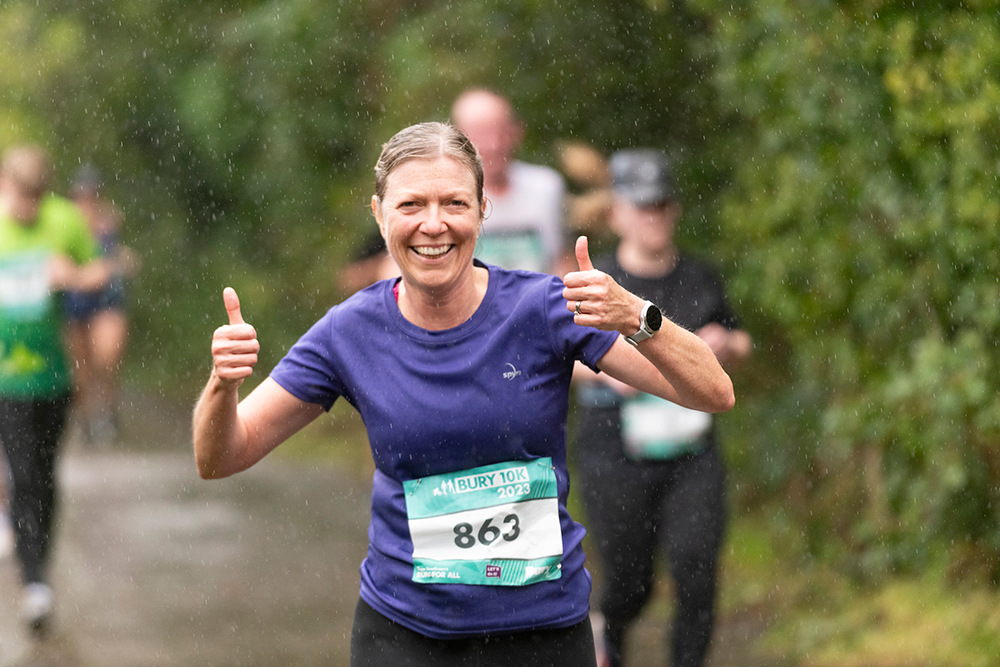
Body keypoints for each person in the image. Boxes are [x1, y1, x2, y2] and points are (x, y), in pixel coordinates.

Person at [193, 122, 735, 667]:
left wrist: (638, 316)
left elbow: (712, 392)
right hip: (405, 634)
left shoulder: (543, 309)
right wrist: (222, 385)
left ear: (481, 211)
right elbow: (220, 456)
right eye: (411, 205)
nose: (434, 224)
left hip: (543, 632)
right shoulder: (348, 333)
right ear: (380, 214)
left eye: (454, 202)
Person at [572, 149, 752, 667]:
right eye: (642, 206)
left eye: (662, 205)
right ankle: (607, 639)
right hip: (615, 452)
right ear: (617, 213)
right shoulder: (597, 280)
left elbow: (739, 342)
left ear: (674, 210)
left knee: (697, 571)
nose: (653, 216)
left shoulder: (700, 278)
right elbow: (564, 360)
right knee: (631, 581)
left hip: (691, 452)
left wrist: (728, 345)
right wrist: (620, 371)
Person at [0, 145, 113, 635]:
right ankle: (35, 583)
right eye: (19, 196)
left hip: (54, 377)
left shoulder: (65, 220)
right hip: (7, 379)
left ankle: (39, 562)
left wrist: (72, 276)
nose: (26, 208)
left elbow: (101, 271)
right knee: (23, 476)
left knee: (45, 477)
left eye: (34, 198)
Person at [451, 88, 569, 274]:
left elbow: (563, 259)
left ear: (517, 131)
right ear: (458, 138)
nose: (494, 144)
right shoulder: (445, 194)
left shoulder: (547, 187)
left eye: (501, 132)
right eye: (481, 134)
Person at [64, 164, 134, 446]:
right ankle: (85, 421)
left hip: (107, 299)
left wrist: (118, 263)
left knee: (107, 357)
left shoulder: (109, 220)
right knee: (80, 369)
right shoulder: (65, 224)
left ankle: (108, 410)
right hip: (76, 300)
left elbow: (114, 255)